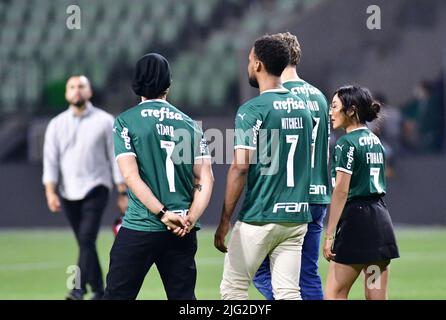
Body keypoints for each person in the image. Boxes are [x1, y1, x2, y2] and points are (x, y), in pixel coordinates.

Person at [103, 53, 214, 300]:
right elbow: (206, 178)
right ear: (169, 84)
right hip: (182, 231)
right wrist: (189, 218)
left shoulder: (125, 122)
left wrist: (163, 214)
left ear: (136, 84)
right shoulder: (190, 125)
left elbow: (131, 177)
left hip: (140, 226)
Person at [214, 35, 313, 300]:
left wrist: (225, 220)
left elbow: (240, 166)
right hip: (295, 218)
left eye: (249, 60)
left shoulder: (253, 109)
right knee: (288, 292)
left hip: (260, 215)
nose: (248, 65)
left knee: (233, 290)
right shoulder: (303, 109)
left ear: (258, 65)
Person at [253, 32, 330, 300]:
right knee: (307, 273)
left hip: (286, 195)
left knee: (258, 268)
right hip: (318, 193)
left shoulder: (278, 97)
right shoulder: (319, 97)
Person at [42, 75, 128, 300]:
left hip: (96, 187)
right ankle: (99, 290)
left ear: (90, 92)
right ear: (66, 93)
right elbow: (50, 161)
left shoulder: (105, 121)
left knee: (86, 238)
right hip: (68, 191)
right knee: (84, 241)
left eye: (81, 86)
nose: (77, 90)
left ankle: (77, 288)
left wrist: (122, 191)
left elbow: (115, 157)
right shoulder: (56, 124)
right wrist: (50, 191)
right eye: (72, 87)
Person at [323, 85, 400, 300]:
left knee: (334, 294)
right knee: (376, 297)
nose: (331, 112)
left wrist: (329, 235)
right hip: (379, 221)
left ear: (352, 110)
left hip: (356, 222)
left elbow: (341, 191)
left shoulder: (345, 144)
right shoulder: (376, 141)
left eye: (335, 106)